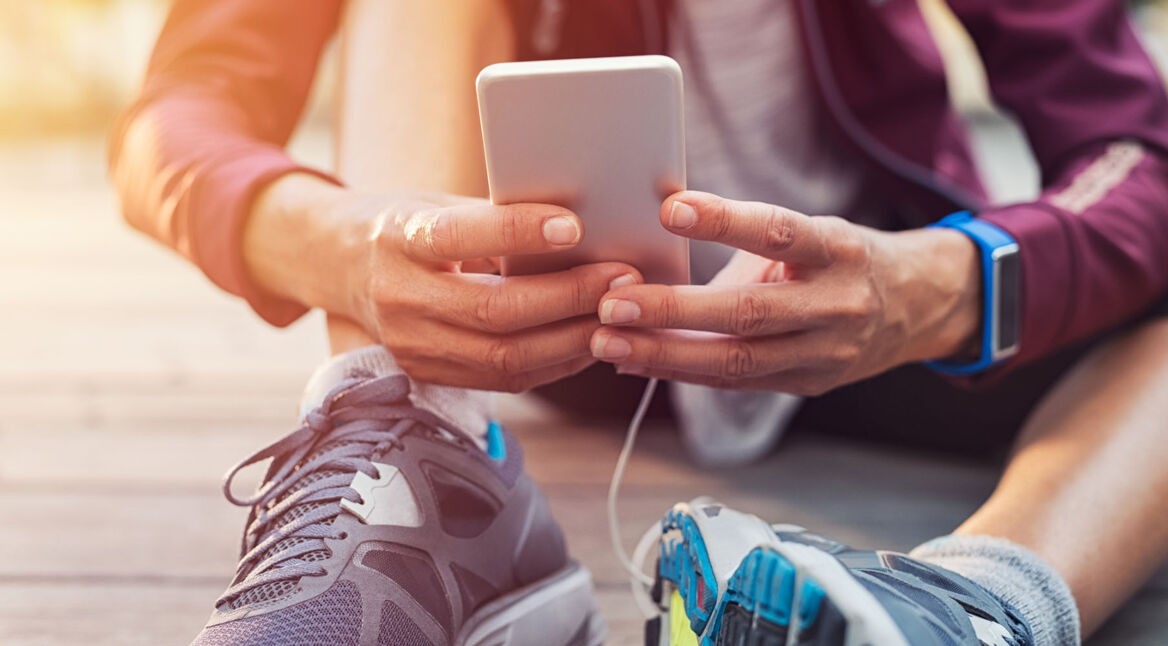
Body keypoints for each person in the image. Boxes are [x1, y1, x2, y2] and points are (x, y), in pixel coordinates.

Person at [108, 1, 1168, 644]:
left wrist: (942, 283)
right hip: (539, 323)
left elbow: (1141, 157)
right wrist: (339, 240)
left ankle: (968, 607)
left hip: (869, 307)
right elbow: (174, 120)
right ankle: (413, 461)